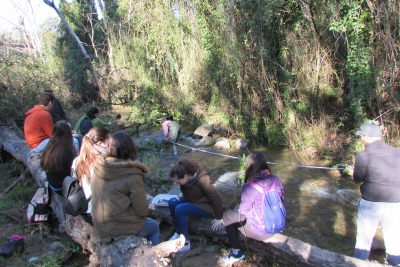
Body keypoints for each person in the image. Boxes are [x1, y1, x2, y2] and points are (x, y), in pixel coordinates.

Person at [91, 131, 160, 245]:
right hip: (119, 227)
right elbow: (142, 211)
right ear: (131, 149)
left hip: (100, 225)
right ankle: (153, 258)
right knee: (154, 226)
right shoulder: (132, 174)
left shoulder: (98, 167)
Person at [222, 151, 284, 264]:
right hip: (276, 227)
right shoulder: (276, 180)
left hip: (261, 232)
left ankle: (236, 253)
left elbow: (243, 211)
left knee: (227, 214)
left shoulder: (250, 186)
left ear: (249, 166)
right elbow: (281, 201)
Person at [352, 123, 400, 265]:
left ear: (366, 137)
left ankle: (359, 263)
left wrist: (357, 169)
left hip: (370, 203)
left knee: (363, 240)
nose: (361, 139)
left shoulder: (363, 155)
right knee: (394, 241)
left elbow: (357, 179)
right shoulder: (398, 152)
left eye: (362, 136)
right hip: (395, 203)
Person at [168, 158, 224, 252]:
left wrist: (219, 217)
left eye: (178, 182)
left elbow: (215, 197)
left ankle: (185, 242)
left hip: (205, 206)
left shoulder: (203, 180)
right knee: (172, 202)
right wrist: (181, 196)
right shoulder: (187, 177)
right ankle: (178, 233)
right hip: (194, 199)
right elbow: (188, 190)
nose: (176, 184)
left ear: (185, 176)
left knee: (180, 209)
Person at [71, 127, 110, 225]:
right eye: (109, 139)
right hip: (99, 214)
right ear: (100, 143)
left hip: (86, 209)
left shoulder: (77, 160)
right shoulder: (102, 163)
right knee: (152, 226)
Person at [40, 120, 77, 195]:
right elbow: (73, 169)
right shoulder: (67, 149)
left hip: (52, 184)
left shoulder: (50, 145)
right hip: (63, 187)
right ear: (68, 133)